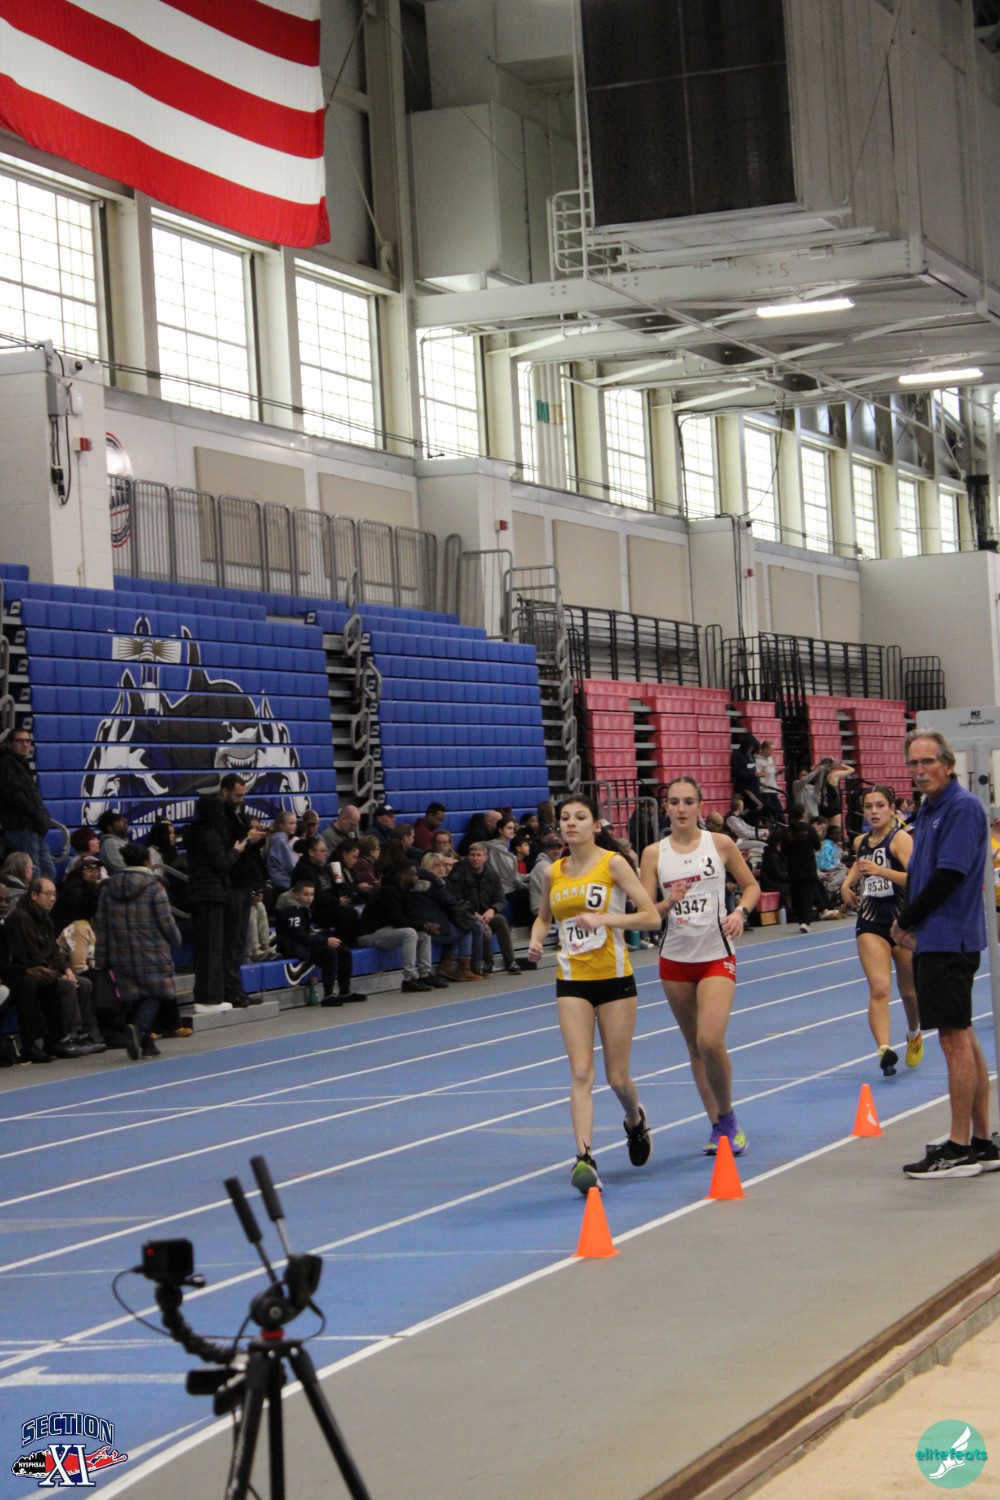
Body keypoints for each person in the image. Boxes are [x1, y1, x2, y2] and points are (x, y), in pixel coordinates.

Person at [526, 794, 660, 1195]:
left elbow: (650, 916)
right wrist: (536, 940)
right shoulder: (553, 872)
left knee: (617, 1077)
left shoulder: (613, 863)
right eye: (565, 817)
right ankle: (584, 1158)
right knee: (581, 1072)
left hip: (614, 979)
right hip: (571, 980)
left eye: (580, 817)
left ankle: (635, 1120)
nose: (571, 823)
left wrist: (606, 919)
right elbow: (543, 918)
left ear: (595, 825)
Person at [891, 730, 998, 1178]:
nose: (920, 771)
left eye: (928, 762)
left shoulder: (961, 808)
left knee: (953, 1040)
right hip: (938, 937)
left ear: (948, 765)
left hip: (948, 938)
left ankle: (958, 1147)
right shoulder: (930, 809)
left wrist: (907, 920)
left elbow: (948, 876)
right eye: (913, 764)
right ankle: (981, 1141)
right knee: (963, 1034)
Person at [639, 776, 760, 1158]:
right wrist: (669, 902)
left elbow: (752, 886)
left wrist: (740, 912)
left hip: (715, 956)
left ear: (699, 806)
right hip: (675, 960)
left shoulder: (719, 844)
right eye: (674, 802)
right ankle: (718, 1125)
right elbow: (646, 914)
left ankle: (728, 1116)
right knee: (694, 1047)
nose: (681, 809)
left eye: (688, 801)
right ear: (666, 807)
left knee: (710, 1041)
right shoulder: (653, 854)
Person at [840, 785, 923, 1079]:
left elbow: (916, 878)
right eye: (869, 806)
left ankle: (914, 1032)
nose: (874, 812)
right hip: (870, 923)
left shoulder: (900, 839)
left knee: (909, 993)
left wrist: (882, 872)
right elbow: (859, 865)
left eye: (879, 806)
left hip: (902, 923)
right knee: (879, 988)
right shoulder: (861, 841)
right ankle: (884, 1049)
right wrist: (846, 885)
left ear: (891, 809)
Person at [93, 842, 182, 1059]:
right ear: (147, 861)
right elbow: (166, 921)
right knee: (157, 993)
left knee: (134, 995)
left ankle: (147, 1044)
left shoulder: (108, 888)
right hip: (152, 950)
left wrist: (101, 957)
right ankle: (139, 1028)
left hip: (120, 952)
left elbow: (101, 924)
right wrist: (175, 939)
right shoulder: (154, 887)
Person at [356, 863, 449, 993]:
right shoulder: (388, 892)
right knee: (409, 933)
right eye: (413, 875)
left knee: (424, 934)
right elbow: (397, 920)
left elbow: (410, 916)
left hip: (387, 931)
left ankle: (425, 974)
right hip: (369, 934)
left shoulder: (403, 892)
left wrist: (426, 925)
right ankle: (409, 978)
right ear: (402, 876)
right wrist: (422, 926)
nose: (416, 878)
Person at [274, 879, 365, 1006]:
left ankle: (345, 991)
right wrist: (325, 940)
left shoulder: (303, 908)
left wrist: (322, 940)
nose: (309, 898)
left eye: (311, 894)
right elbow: (299, 936)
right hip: (293, 947)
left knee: (344, 951)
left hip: (304, 944)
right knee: (329, 952)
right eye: (305, 894)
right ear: (296, 894)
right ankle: (328, 994)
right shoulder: (291, 910)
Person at [449, 842, 521, 974]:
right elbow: (457, 900)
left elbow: (500, 899)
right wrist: (473, 913)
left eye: (479, 855)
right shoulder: (459, 874)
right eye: (472, 855)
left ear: (485, 857)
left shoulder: (492, 875)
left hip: (486, 913)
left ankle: (510, 961)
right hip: (467, 915)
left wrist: (492, 909)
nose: (475, 858)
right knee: (480, 925)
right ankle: (487, 962)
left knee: (500, 920)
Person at [0, 727, 57, 881]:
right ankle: (32, 896)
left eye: (27, 741)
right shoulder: (7, 763)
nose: (25, 744)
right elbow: (14, 795)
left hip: (32, 826)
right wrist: (36, 815)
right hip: (22, 826)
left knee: (48, 870)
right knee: (32, 872)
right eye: (20, 741)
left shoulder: (20, 763)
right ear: (10, 743)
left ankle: (43, 895)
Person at [779, 805, 821, 932]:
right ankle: (805, 922)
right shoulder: (809, 830)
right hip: (808, 868)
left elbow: (783, 851)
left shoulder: (786, 832)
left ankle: (800, 919)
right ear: (803, 814)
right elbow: (817, 846)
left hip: (793, 868)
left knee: (796, 896)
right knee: (807, 896)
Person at [755, 740, 784, 822]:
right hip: (765, 790)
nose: (772, 752)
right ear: (764, 749)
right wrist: (762, 782)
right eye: (771, 750)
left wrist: (778, 773)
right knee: (767, 812)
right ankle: (768, 825)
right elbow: (758, 774)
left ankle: (782, 826)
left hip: (773, 788)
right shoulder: (758, 760)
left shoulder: (770, 759)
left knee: (779, 811)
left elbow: (772, 773)